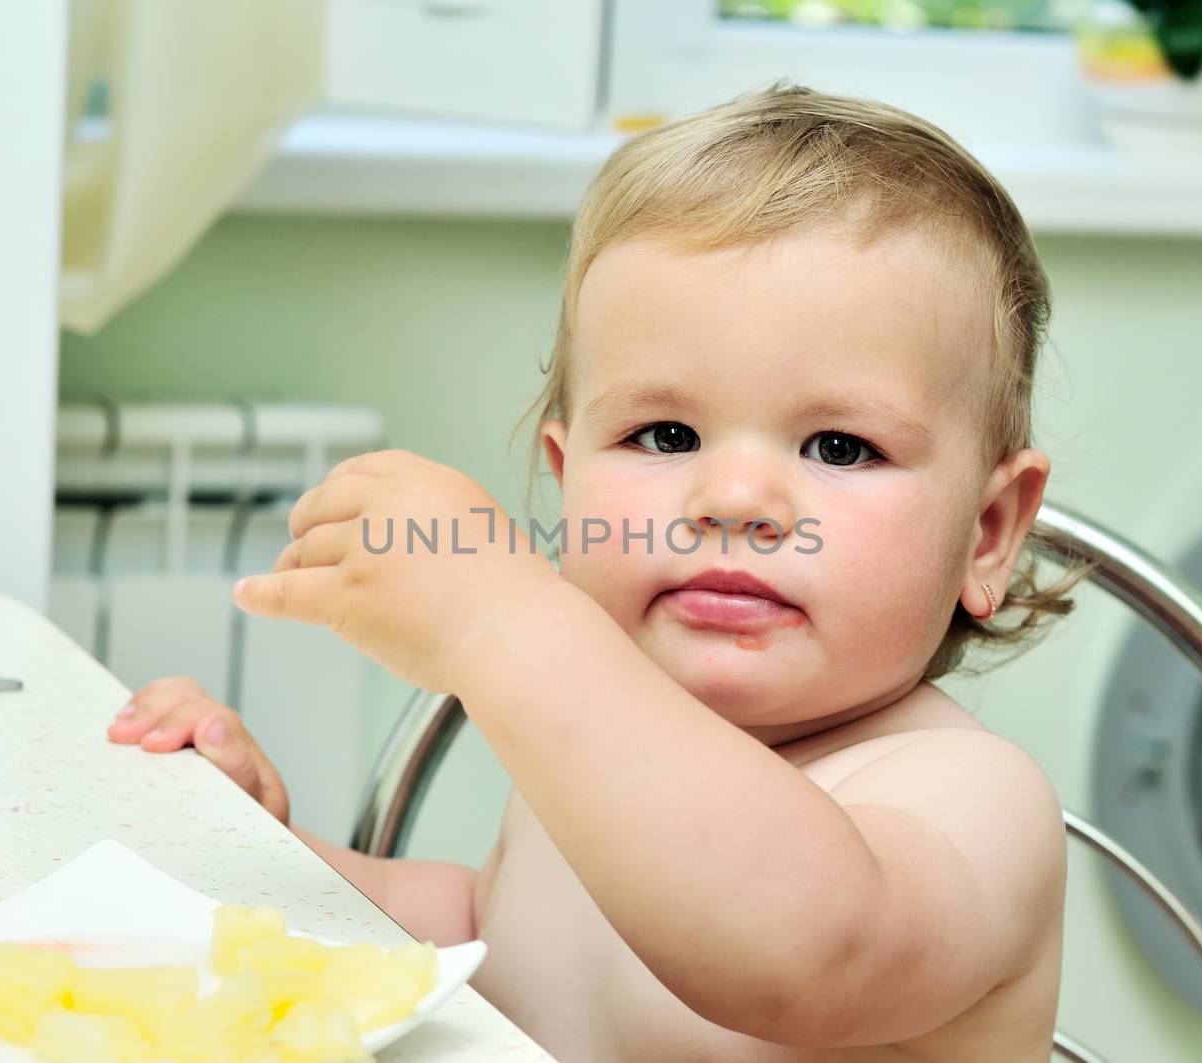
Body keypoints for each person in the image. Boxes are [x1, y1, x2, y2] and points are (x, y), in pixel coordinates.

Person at [108, 82, 1093, 1061]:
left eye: (839, 447)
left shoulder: (972, 799)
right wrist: (254, 853)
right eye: (664, 433)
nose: (734, 498)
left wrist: (507, 623)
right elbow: (475, 939)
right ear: (567, 479)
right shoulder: (587, 761)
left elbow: (805, 955)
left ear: (988, 532)